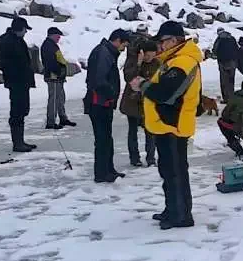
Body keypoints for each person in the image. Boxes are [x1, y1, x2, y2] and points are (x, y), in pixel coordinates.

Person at [131, 21, 203, 231]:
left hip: (173, 125)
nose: (160, 46)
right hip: (167, 125)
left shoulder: (183, 61)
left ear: (173, 40)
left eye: (162, 41)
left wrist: (142, 85)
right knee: (169, 170)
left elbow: (167, 93)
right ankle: (173, 209)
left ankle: (180, 214)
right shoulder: (175, 61)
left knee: (175, 172)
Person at [85, 29, 129, 183]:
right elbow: (98, 80)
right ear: (117, 40)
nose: (123, 49)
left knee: (107, 138)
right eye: (124, 45)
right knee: (102, 139)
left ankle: (109, 169)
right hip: (99, 103)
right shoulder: (103, 53)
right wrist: (111, 93)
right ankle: (101, 173)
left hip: (105, 103)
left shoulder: (107, 52)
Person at [0, 16, 36, 153]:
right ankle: (17, 143)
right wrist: (16, 73)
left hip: (22, 82)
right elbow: (3, 63)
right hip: (16, 82)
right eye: (25, 29)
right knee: (17, 111)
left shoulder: (17, 40)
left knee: (23, 109)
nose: (26, 32)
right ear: (19, 28)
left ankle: (20, 140)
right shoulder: (6, 41)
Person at [120, 39, 160, 167]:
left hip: (148, 102)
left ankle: (151, 158)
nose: (150, 58)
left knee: (150, 131)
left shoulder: (156, 63)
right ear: (142, 53)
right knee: (132, 131)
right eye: (148, 55)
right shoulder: (133, 60)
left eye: (153, 55)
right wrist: (138, 63)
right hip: (132, 101)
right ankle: (134, 158)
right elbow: (128, 77)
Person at [40, 26, 76, 130]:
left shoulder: (52, 45)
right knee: (54, 99)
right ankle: (51, 122)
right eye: (58, 36)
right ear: (52, 35)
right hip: (53, 77)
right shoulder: (48, 46)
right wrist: (59, 72)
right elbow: (50, 62)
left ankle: (63, 118)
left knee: (60, 98)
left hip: (57, 76)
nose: (59, 38)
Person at [212, 28, 238, 103]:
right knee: (231, 81)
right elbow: (237, 49)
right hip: (233, 63)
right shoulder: (232, 38)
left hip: (223, 63)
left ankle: (226, 99)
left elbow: (215, 51)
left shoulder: (219, 39)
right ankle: (232, 98)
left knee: (224, 82)